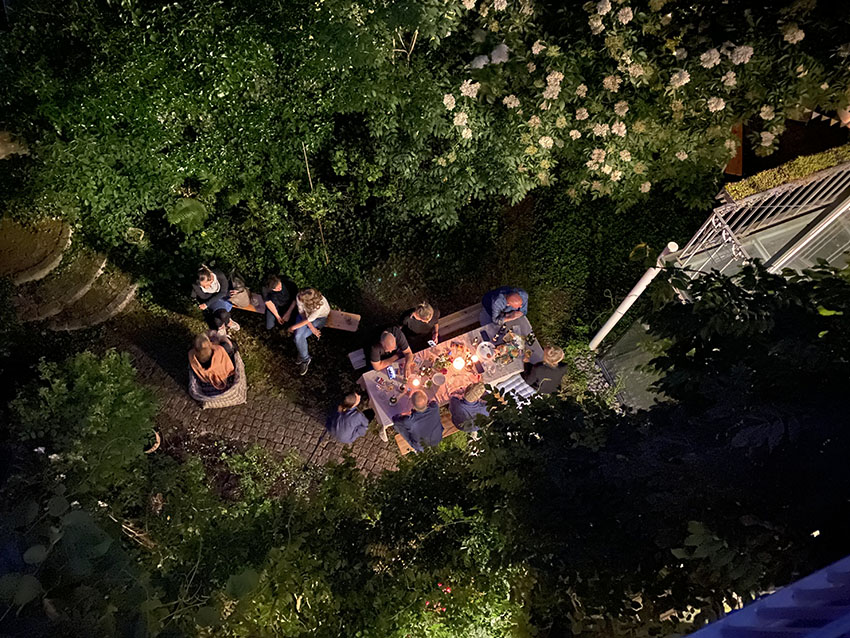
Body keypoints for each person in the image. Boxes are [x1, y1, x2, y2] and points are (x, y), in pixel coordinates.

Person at [283, 288, 331, 376]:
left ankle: (303, 356)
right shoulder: (300, 296)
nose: (299, 298)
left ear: (309, 302)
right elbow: (302, 313)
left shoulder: (319, 307)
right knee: (298, 337)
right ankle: (305, 357)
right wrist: (312, 329)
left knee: (299, 338)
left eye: (302, 300)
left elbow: (309, 320)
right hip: (306, 317)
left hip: (319, 318)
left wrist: (293, 327)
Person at [192, 265, 240, 333]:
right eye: (202, 286)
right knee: (222, 314)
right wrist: (217, 295)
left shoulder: (218, 275)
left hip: (223, 298)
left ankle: (224, 325)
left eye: (206, 284)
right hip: (211, 301)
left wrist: (208, 302)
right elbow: (204, 297)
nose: (205, 287)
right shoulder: (196, 284)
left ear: (211, 279)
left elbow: (223, 292)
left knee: (218, 318)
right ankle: (226, 324)